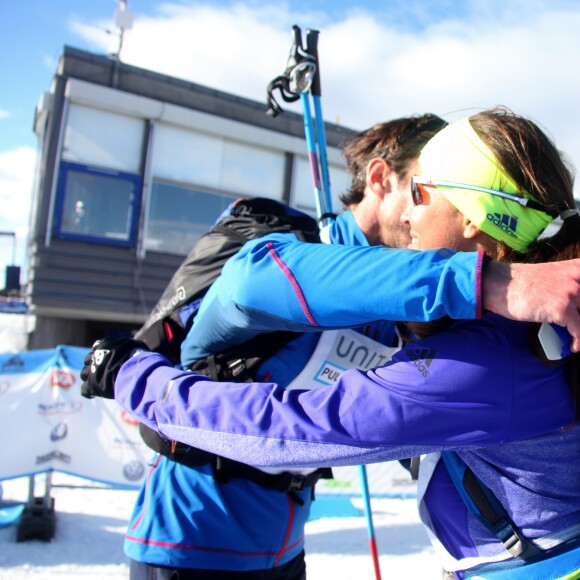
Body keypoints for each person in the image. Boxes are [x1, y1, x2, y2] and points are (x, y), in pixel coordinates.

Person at [85, 108, 580, 579]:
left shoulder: (476, 326)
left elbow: (367, 415)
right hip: (191, 533)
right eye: (411, 188)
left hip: (282, 538)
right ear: (381, 179)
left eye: (423, 192)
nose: (411, 213)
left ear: (474, 215)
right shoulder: (310, 250)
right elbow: (250, 283)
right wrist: (486, 279)